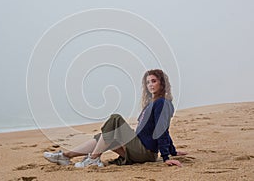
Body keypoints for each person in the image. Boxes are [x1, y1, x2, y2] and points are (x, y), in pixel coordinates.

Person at [43, 69, 186, 168]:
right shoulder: (151, 104)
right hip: (138, 149)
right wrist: (173, 151)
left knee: (115, 119)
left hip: (145, 152)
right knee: (104, 136)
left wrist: (167, 157)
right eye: (148, 82)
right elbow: (164, 130)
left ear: (162, 83)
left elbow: (162, 129)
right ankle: (65, 156)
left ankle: (92, 159)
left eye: (154, 81)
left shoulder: (162, 103)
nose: (150, 85)